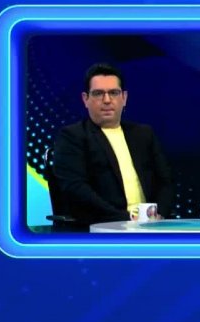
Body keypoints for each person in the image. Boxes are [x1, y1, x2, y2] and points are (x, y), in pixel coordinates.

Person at [53, 63, 174, 227]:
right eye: (98, 93)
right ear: (85, 99)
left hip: (150, 226)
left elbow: (166, 181)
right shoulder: (72, 136)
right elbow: (76, 189)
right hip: (104, 226)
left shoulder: (144, 134)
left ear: (124, 98)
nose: (107, 100)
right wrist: (125, 218)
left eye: (113, 93)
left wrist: (159, 215)